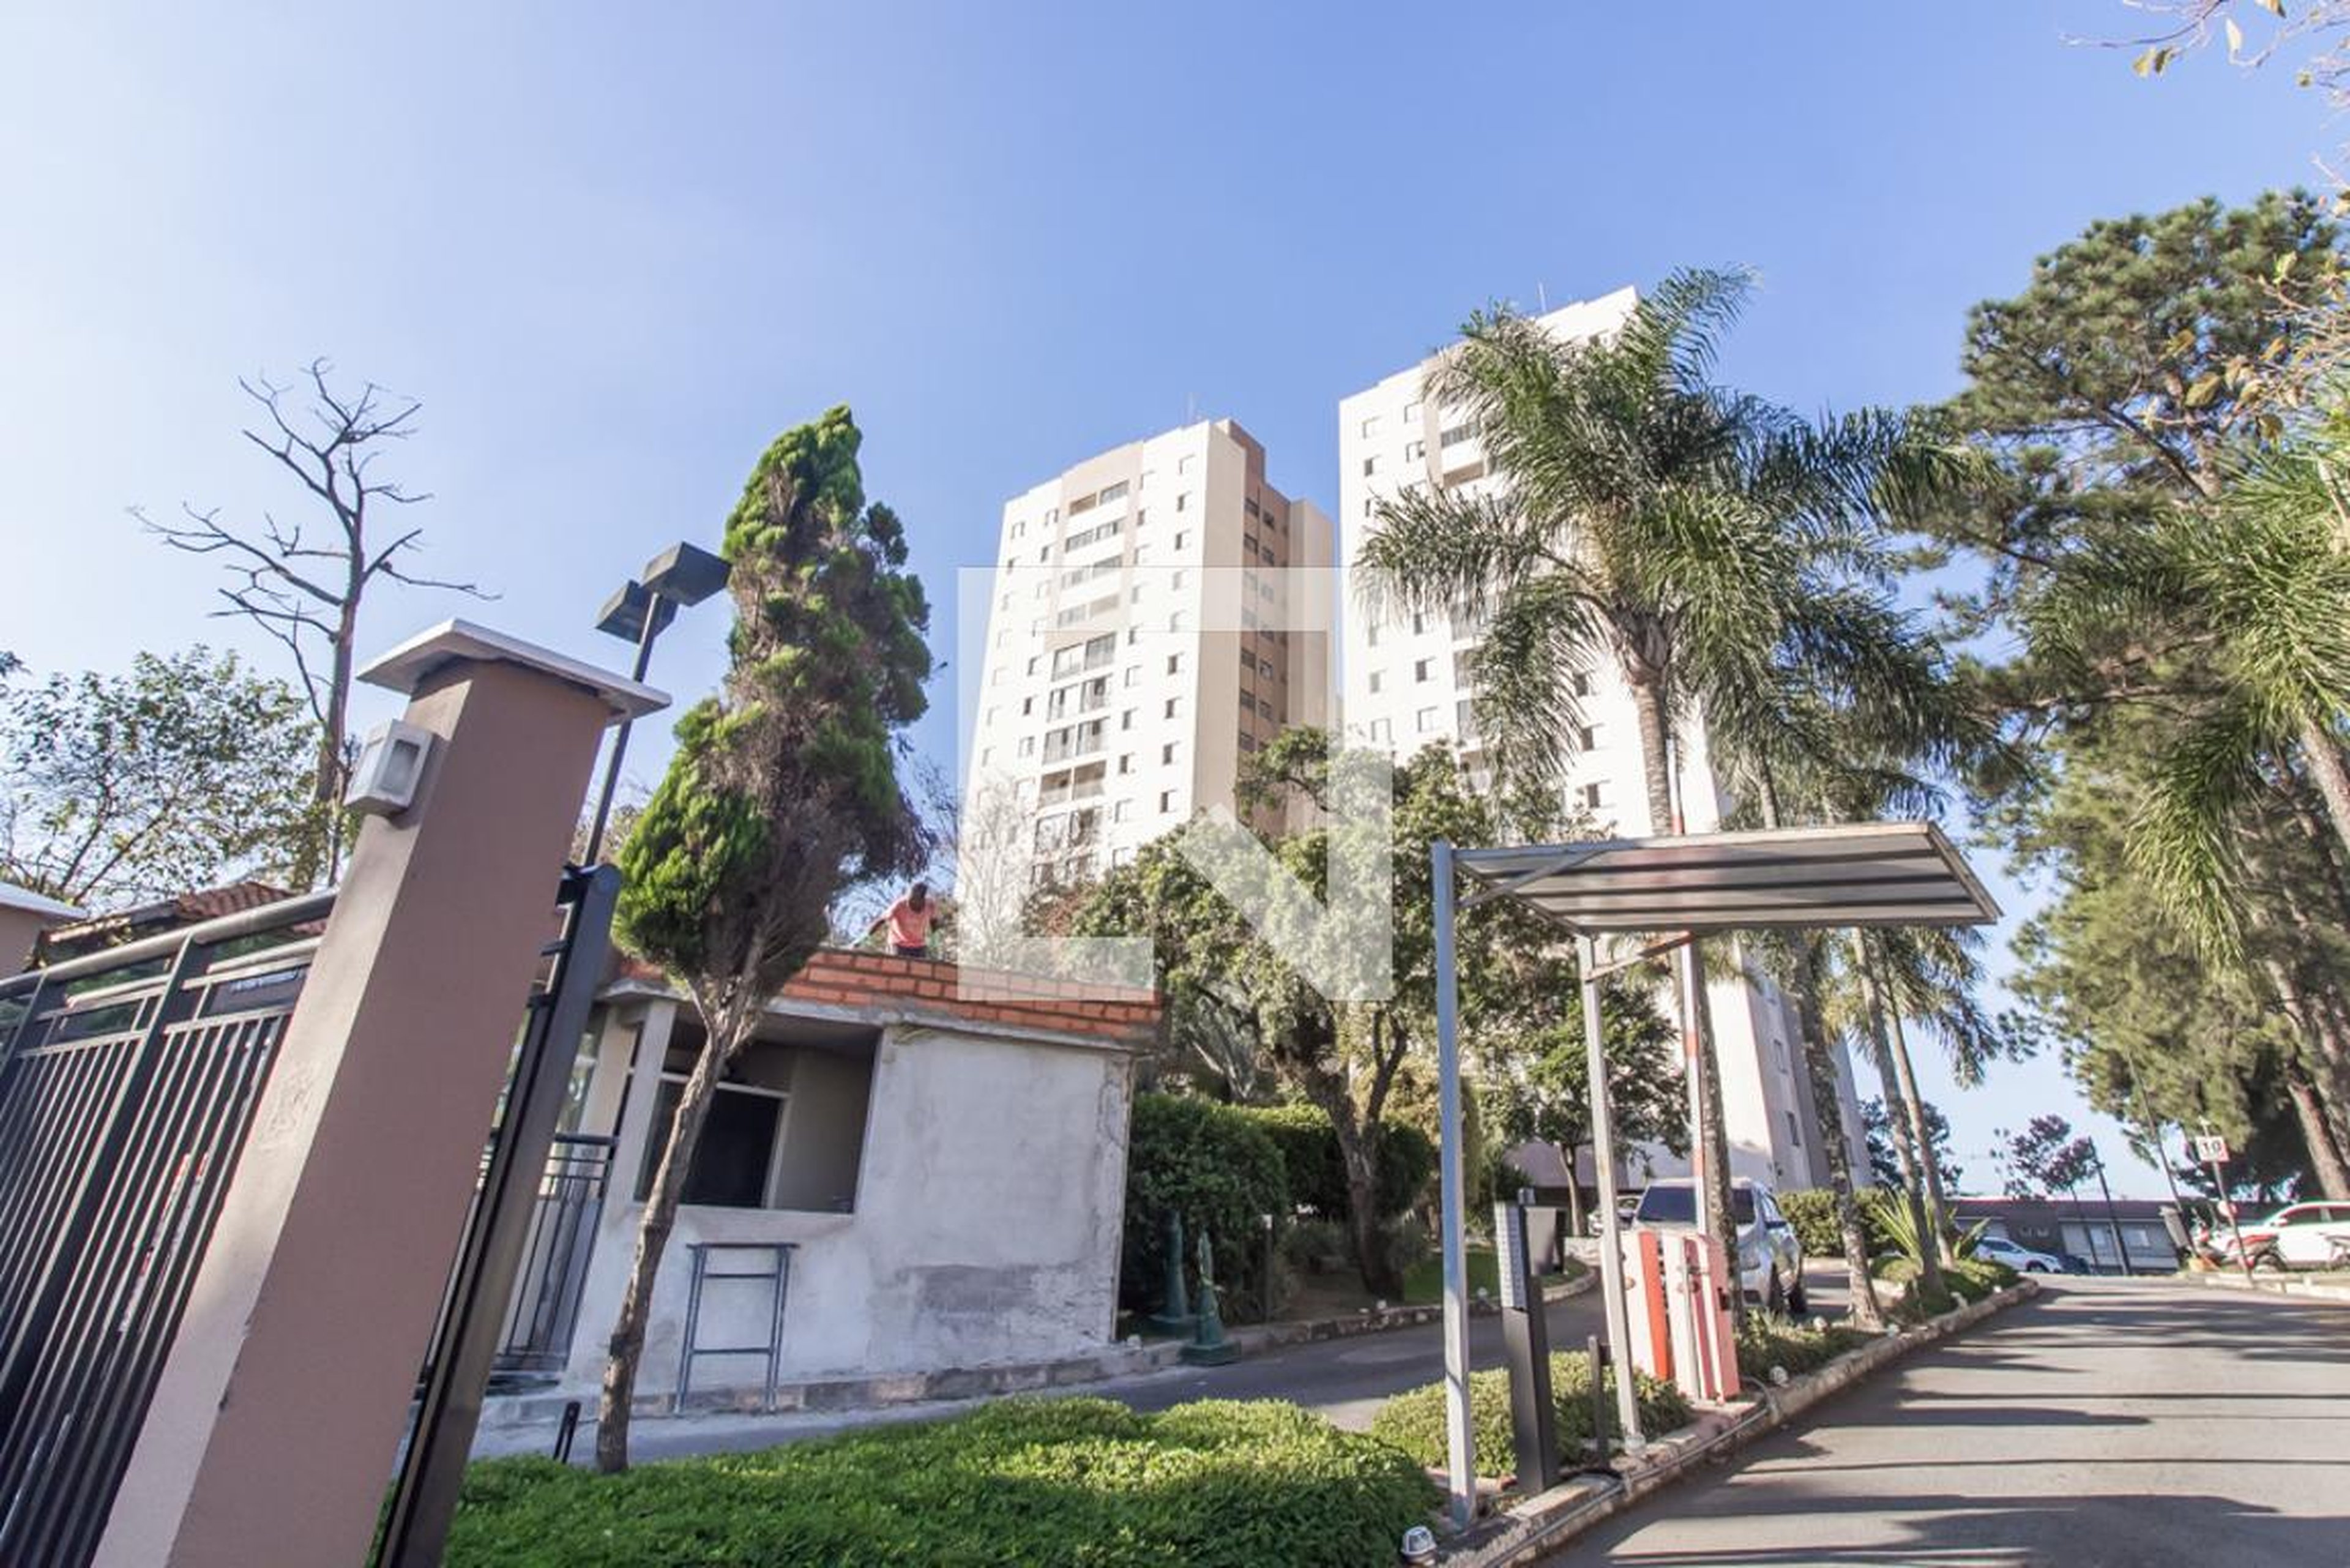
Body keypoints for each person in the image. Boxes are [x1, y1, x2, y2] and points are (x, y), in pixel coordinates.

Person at [873, 882, 936, 958]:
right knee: (897, 967)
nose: (909, 901)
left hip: (919, 945)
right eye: (909, 898)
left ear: (922, 900)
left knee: (920, 968)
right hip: (898, 944)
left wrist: (935, 940)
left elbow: (934, 921)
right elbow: (881, 920)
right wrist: (865, 937)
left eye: (913, 899)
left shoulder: (930, 905)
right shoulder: (899, 905)